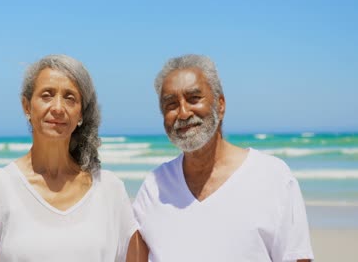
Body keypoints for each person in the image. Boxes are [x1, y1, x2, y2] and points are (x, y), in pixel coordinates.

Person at [0, 54, 138, 262]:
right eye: (47, 95)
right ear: (27, 106)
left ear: (81, 115)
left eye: (70, 98)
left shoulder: (110, 190)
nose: (58, 108)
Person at [131, 54, 314, 261]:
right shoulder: (154, 187)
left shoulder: (273, 178)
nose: (183, 113)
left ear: (220, 104)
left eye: (194, 99)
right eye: (171, 105)